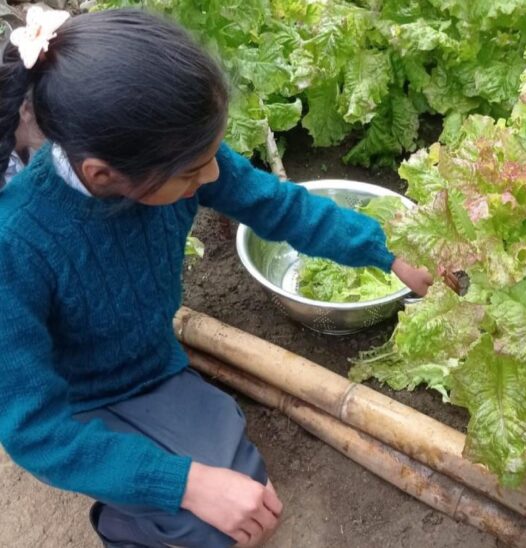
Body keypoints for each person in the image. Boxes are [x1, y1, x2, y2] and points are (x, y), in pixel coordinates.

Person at [0, 7, 433, 548]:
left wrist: (388, 252)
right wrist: (183, 483)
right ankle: (124, 527)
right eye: (191, 173)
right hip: (81, 405)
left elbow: (281, 206)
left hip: (155, 367)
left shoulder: (173, 156)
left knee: (250, 500)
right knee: (213, 524)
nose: (211, 176)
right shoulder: (16, 242)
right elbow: (35, 430)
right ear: (103, 176)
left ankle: (158, 491)